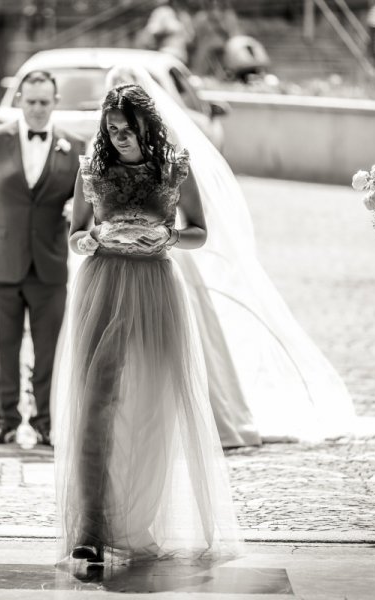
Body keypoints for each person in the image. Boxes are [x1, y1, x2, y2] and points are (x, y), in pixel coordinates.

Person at [100, 64, 358, 446]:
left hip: (164, 262)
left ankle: (196, 419)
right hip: (110, 265)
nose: (121, 132)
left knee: (177, 340)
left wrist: (163, 236)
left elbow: (195, 223)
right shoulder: (101, 158)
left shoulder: (172, 159)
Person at [54, 83, 243, 564]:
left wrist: (167, 235)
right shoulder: (92, 170)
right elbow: (77, 233)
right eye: (111, 128)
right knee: (96, 402)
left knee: (150, 407)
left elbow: (199, 233)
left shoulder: (174, 169)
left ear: (146, 126)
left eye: (126, 128)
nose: (118, 136)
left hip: (155, 288)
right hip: (103, 287)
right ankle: (90, 526)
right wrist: (89, 241)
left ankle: (137, 524)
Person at [0, 71, 85, 447]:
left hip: (49, 263)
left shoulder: (75, 145)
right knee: (4, 346)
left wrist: (76, 208)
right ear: (19, 100)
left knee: (49, 350)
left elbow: (89, 202)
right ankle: (6, 419)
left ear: (55, 102)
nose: (36, 109)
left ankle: (46, 422)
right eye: (30, 101)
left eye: (44, 102)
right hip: (0, 260)